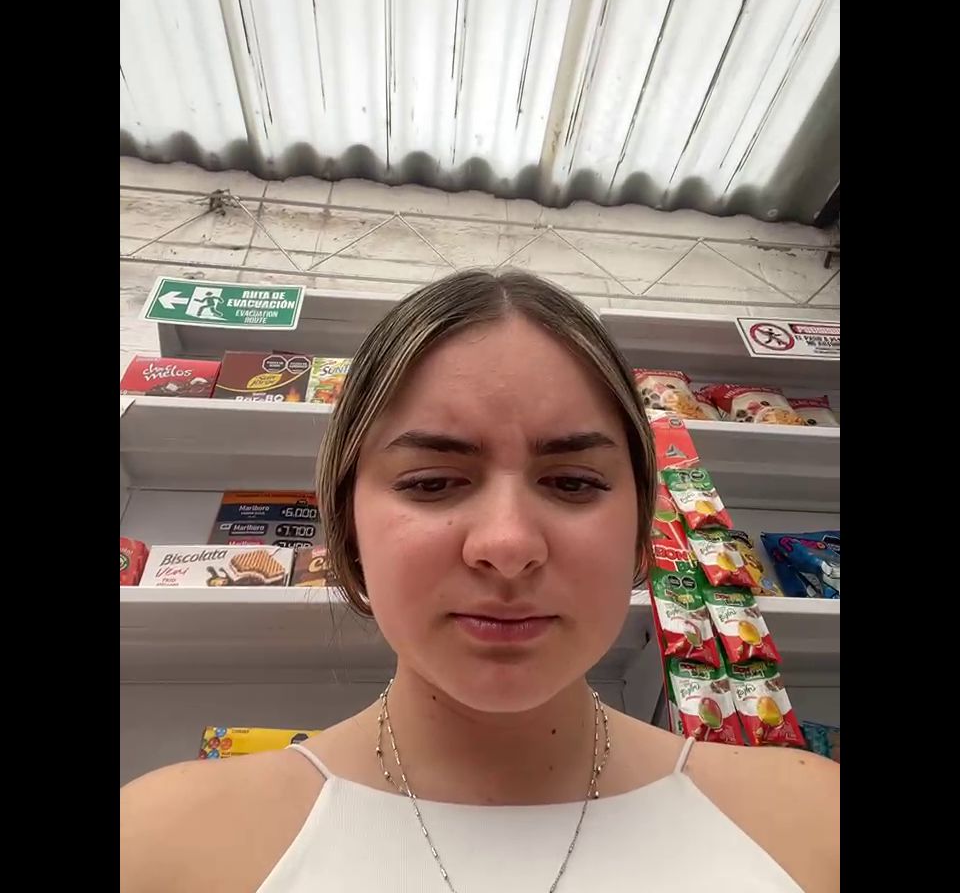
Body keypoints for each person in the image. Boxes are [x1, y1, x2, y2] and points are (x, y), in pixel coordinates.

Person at [121, 269, 839, 892]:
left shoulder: (812, 825)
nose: (508, 545)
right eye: (432, 482)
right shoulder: (161, 845)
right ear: (347, 526)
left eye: (573, 482)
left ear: (640, 528)